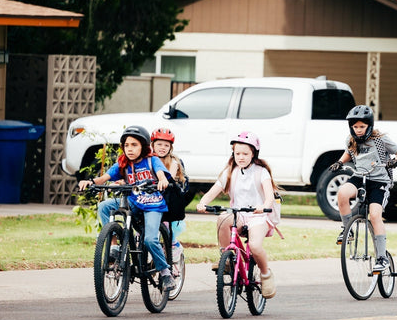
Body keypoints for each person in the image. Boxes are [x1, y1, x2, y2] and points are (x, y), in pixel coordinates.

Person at [77, 125, 175, 291]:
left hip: (152, 204)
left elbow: (160, 173)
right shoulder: (122, 163)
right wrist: (91, 182)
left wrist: (162, 180)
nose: (129, 149)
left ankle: (165, 272)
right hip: (133, 201)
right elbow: (105, 177)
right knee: (104, 206)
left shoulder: (152, 160)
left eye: (134, 145)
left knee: (150, 239)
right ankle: (115, 245)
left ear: (143, 147)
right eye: (126, 145)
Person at [195, 131, 278, 299]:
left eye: (245, 154)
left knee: (254, 246)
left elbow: (269, 197)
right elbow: (213, 191)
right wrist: (203, 202)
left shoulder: (261, 172)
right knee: (222, 219)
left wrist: (263, 206)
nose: (241, 157)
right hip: (238, 214)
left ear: (253, 154)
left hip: (258, 216)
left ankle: (265, 274)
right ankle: (227, 258)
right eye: (237, 153)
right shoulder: (230, 171)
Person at [328, 105, 397, 274]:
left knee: (375, 215)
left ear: (369, 125)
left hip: (379, 181)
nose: (359, 130)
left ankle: (382, 257)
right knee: (342, 193)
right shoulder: (351, 139)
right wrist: (340, 162)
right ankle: (348, 229)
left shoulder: (380, 139)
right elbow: (349, 152)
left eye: (362, 127)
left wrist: (396, 161)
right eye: (355, 127)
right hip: (360, 176)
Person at [151, 127, 188, 269]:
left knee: (166, 228)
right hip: (149, 199)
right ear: (152, 145)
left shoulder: (173, 162)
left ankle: (174, 250)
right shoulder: (147, 160)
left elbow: (169, 177)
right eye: (159, 144)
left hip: (166, 200)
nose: (162, 148)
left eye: (166, 145)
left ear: (170, 148)